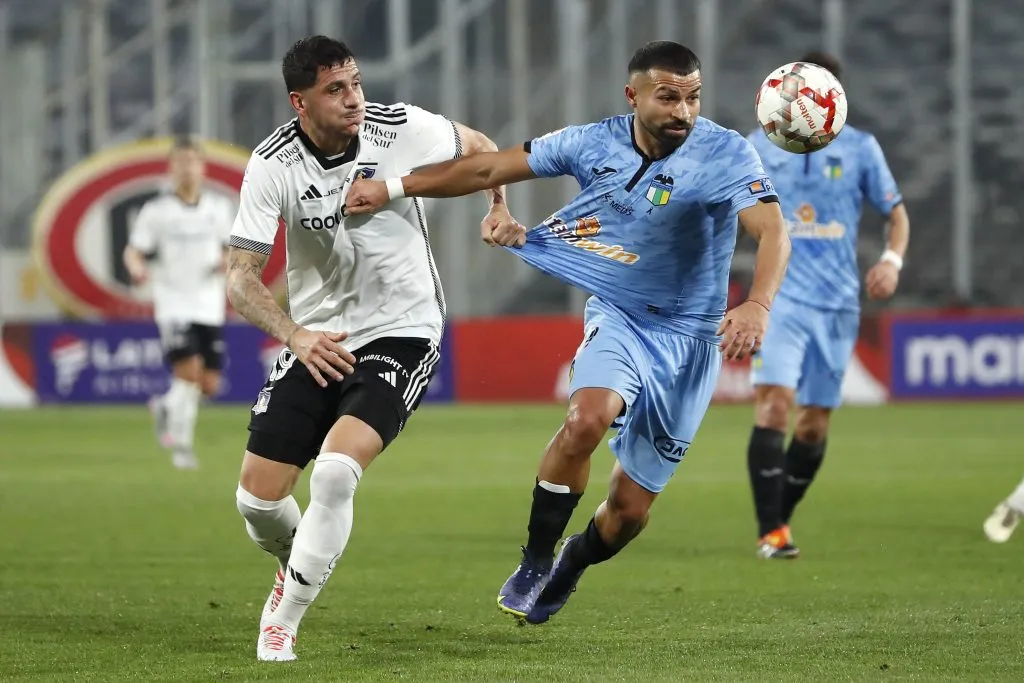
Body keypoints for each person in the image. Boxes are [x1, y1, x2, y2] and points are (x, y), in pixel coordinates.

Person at [345, 40, 791, 625]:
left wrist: (757, 303)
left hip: (691, 342)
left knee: (627, 513)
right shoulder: (590, 142)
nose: (683, 111)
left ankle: (572, 564)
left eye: (692, 97)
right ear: (633, 96)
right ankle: (534, 560)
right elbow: (487, 166)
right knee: (585, 418)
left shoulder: (726, 154)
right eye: (668, 97)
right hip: (621, 315)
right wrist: (394, 187)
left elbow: (774, 232)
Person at [226, 35, 515, 661]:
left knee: (334, 472)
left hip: (405, 329)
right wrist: (295, 335)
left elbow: (486, 152)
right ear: (299, 101)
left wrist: (497, 205)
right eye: (336, 89)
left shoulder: (401, 126)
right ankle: (299, 563)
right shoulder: (272, 164)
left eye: (356, 82)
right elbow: (241, 278)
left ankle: (283, 621)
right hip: (320, 338)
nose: (355, 98)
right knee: (255, 501)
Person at [743, 51, 910, 559]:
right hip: (782, 299)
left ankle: (781, 521)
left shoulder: (860, 149)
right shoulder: (755, 147)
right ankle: (771, 531)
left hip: (837, 304)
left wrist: (891, 262)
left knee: (814, 422)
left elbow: (896, 215)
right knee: (774, 404)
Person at [123, 135, 235, 470]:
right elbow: (134, 250)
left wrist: (226, 262)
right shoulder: (157, 211)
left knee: (208, 384)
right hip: (173, 303)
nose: (187, 168)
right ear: (171, 168)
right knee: (188, 374)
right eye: (181, 162)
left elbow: (232, 248)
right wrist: (137, 268)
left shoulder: (218, 208)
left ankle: (163, 406)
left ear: (203, 168)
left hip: (208, 304)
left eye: (193, 162)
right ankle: (182, 447)